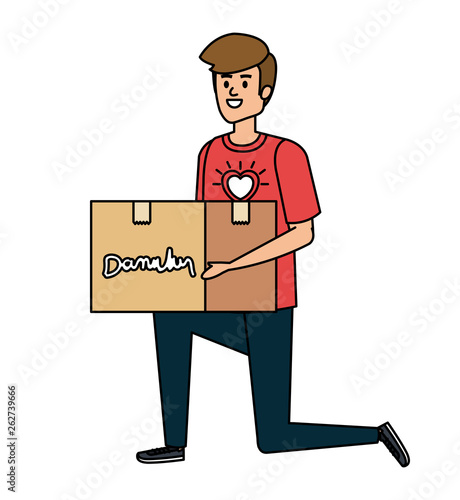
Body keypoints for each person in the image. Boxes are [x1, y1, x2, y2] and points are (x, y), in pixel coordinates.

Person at [136, 33, 410, 467]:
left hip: (269, 302)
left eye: (242, 82)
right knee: (167, 313)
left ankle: (375, 435)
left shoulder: (286, 155)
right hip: (220, 295)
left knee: (274, 437)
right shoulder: (208, 153)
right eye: (223, 82)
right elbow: (204, 225)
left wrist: (235, 263)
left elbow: (303, 233)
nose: (230, 91)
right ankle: (175, 442)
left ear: (263, 92)